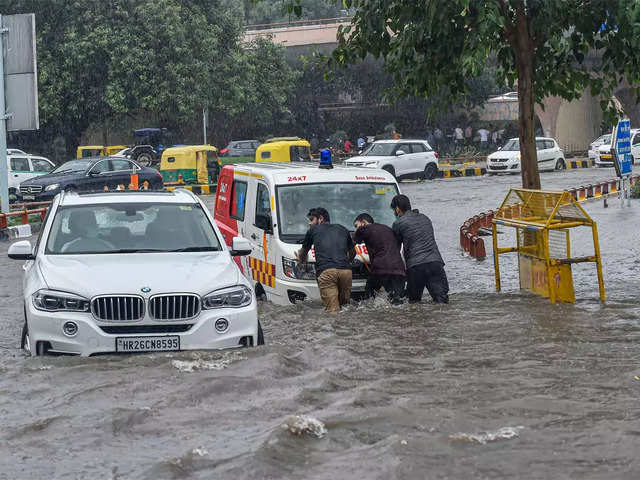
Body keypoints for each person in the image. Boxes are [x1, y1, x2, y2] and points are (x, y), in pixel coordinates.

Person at [390, 194, 449, 304]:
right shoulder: (425, 218)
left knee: (413, 302)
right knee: (442, 300)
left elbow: (395, 248)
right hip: (435, 262)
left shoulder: (398, 223)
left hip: (416, 266)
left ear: (397, 209)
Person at [296, 207, 355, 313]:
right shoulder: (343, 229)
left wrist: (300, 261)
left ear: (321, 219)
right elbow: (352, 253)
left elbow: (303, 252)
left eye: (311, 220)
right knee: (346, 308)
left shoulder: (313, 230)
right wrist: (346, 262)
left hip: (326, 272)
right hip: (346, 272)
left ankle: (335, 329)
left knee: (333, 312)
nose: (309, 224)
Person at [353, 213, 406, 304]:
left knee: (368, 299)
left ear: (363, 223)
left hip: (381, 268)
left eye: (356, 225)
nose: (356, 229)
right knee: (396, 301)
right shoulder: (388, 229)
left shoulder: (364, 229)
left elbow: (353, 242)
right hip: (399, 269)